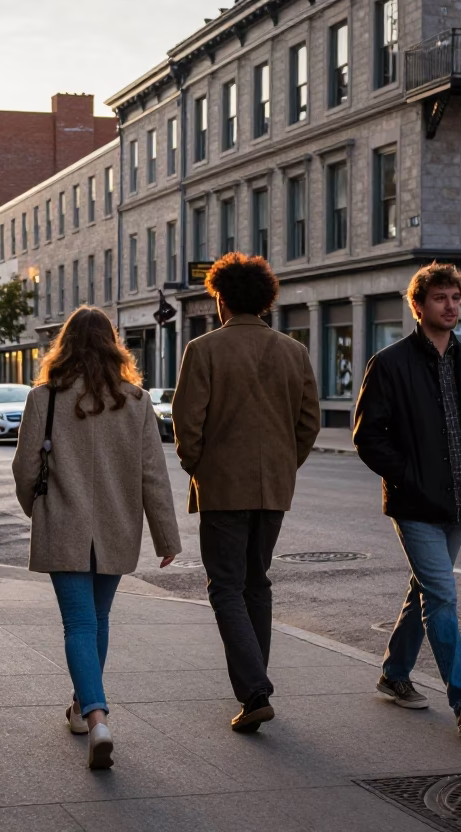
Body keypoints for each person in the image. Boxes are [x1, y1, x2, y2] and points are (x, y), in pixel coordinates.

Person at [353, 262, 461, 740]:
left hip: (459, 504)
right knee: (443, 596)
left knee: (426, 591)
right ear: (418, 305)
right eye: (440, 298)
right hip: (414, 505)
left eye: (455, 298)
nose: (450, 307)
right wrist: (407, 478)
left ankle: (393, 673)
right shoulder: (390, 364)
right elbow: (368, 437)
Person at [13, 306, 181, 769]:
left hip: (62, 525)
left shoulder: (44, 398)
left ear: (63, 346)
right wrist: (166, 536)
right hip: (116, 526)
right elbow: (153, 475)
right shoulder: (136, 400)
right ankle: (82, 708)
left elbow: (26, 468)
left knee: (79, 624)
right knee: (97, 619)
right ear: (113, 346)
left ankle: (96, 715)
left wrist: (37, 509)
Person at [171, 253, 321, 734]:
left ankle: (254, 689)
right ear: (265, 300)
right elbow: (308, 423)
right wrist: (282, 467)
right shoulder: (294, 352)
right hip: (273, 488)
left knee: (226, 587)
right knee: (257, 583)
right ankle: (255, 684)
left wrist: (201, 467)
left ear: (221, 298)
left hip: (222, 489)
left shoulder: (204, 349)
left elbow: (186, 424)